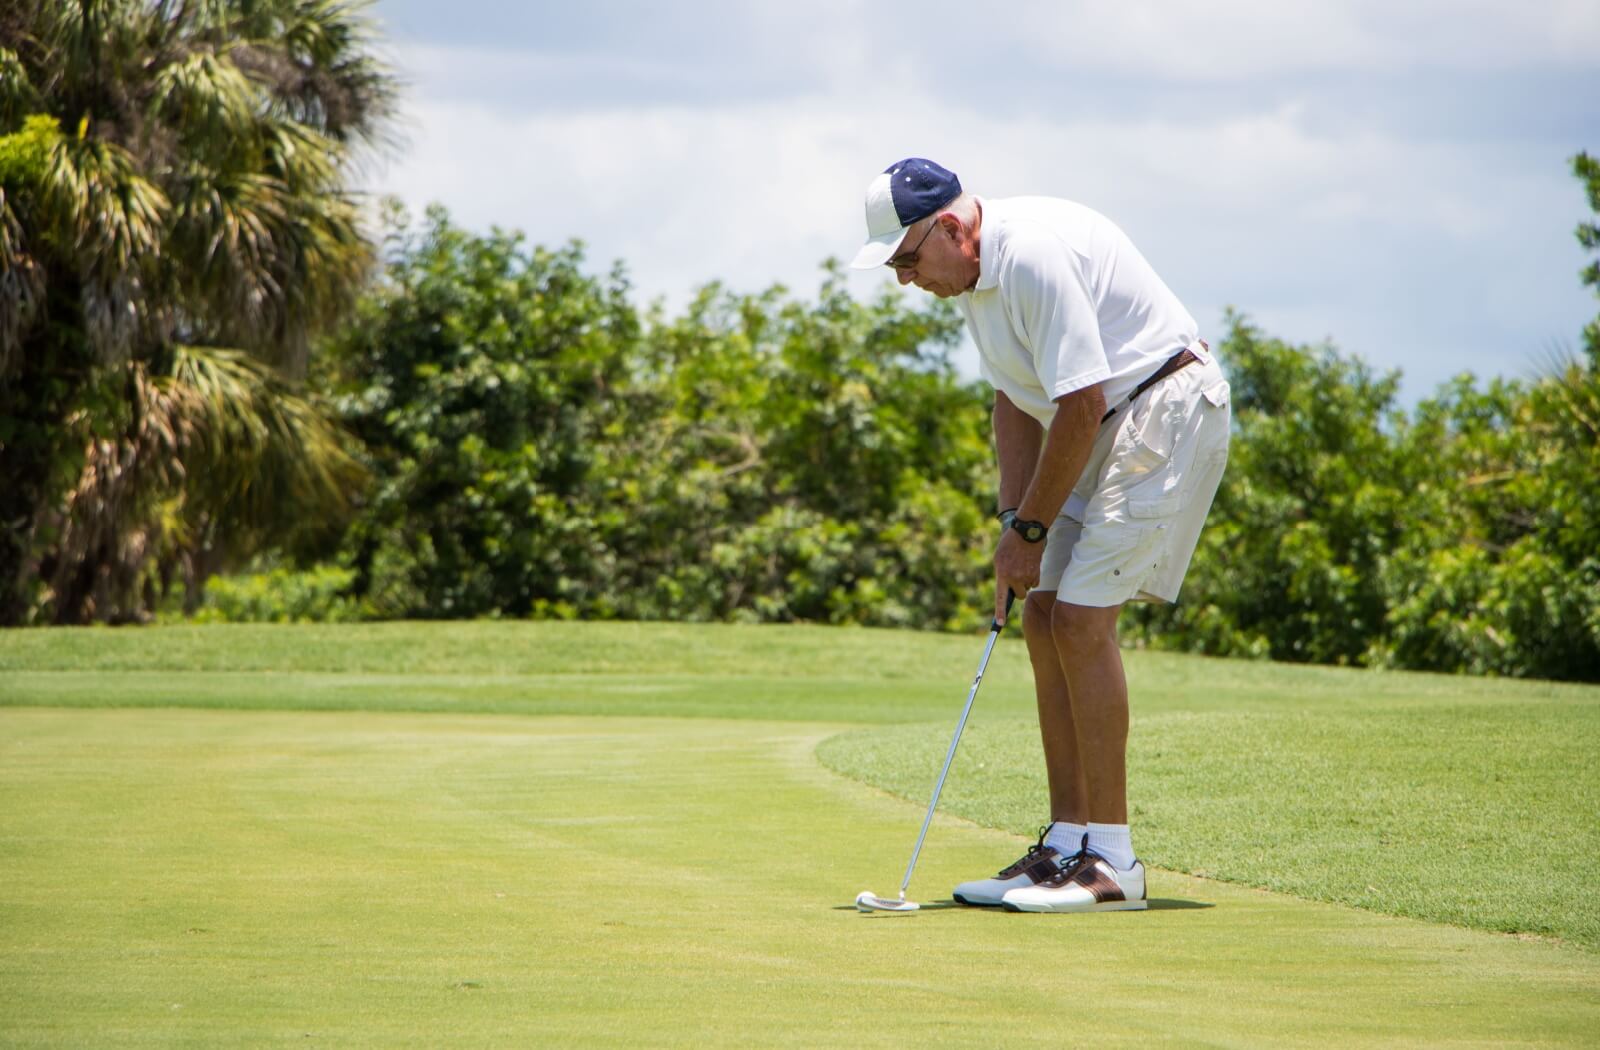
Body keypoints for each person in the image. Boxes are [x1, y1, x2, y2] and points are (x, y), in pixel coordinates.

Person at [849, 158, 1230, 913]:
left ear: (951, 228)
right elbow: (1016, 400)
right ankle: (1065, 844)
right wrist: (1011, 525)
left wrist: (1029, 530)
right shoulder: (972, 277)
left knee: (1083, 620)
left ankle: (1114, 862)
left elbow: (1080, 401)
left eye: (906, 259)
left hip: (1161, 408)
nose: (903, 280)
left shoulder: (1031, 255)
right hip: (1097, 426)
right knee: (1042, 613)